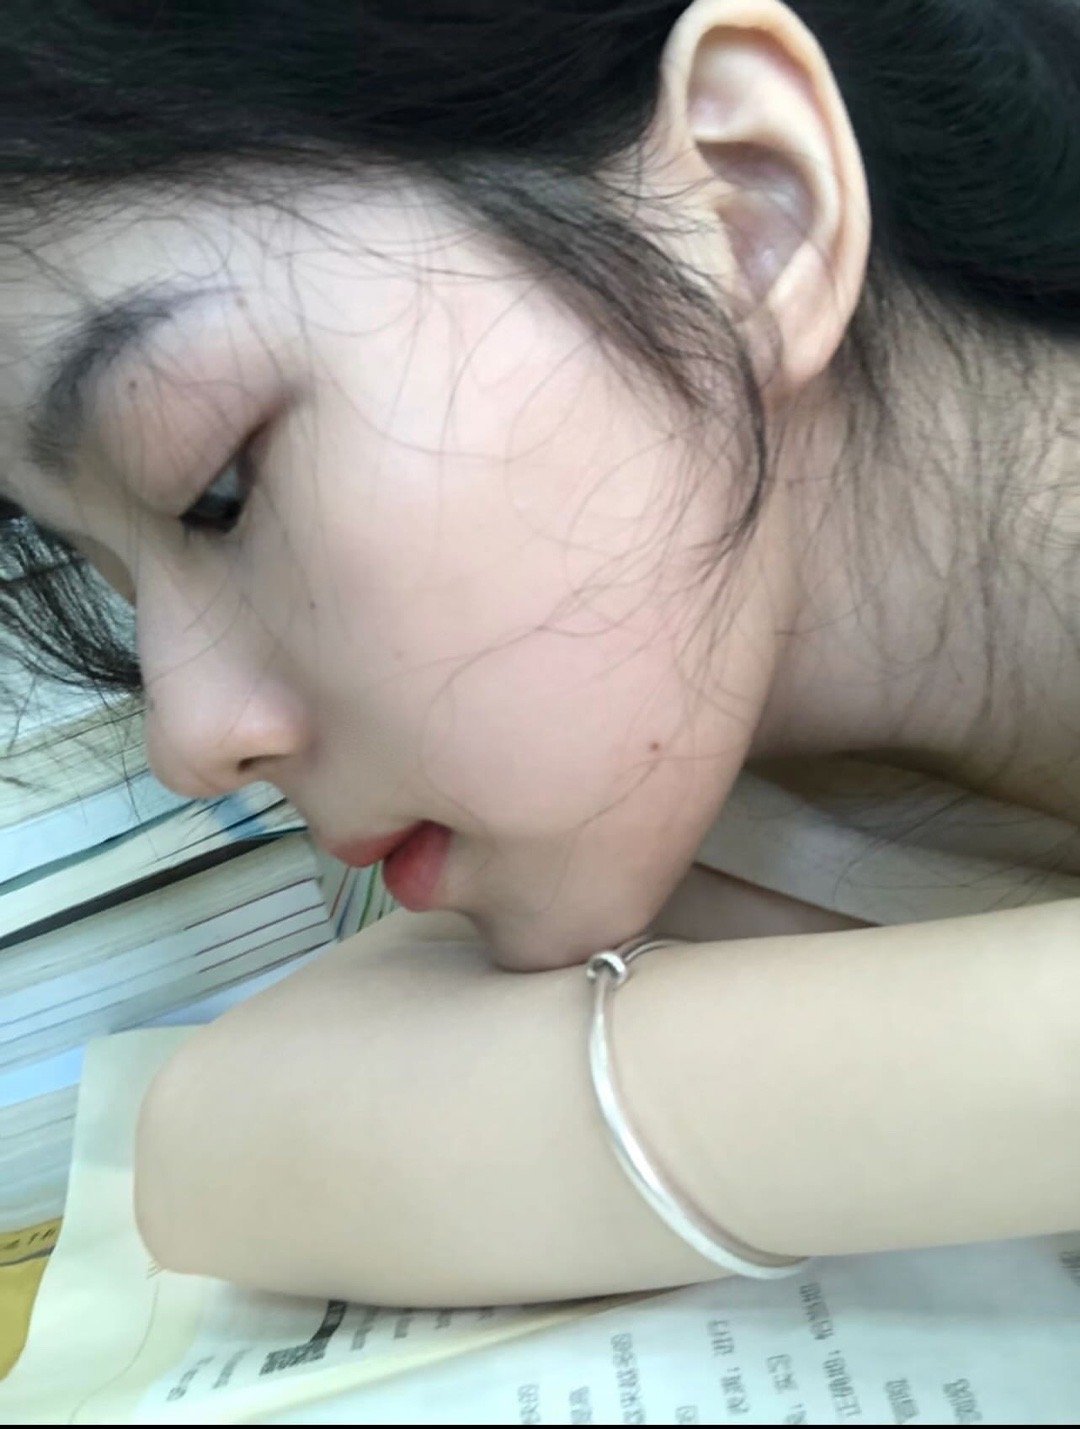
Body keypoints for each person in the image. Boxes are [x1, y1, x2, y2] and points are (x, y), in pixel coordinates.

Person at [2, 0, 1079, 1309]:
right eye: (116, 579)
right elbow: (225, 1146)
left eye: (212, 487)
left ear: (747, 210)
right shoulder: (714, 796)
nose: (187, 736)